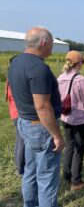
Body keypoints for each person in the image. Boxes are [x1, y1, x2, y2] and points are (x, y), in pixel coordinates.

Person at [8, 27, 65, 207]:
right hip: (40, 126)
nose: (52, 48)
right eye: (52, 44)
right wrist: (56, 135)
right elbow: (42, 106)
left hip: (25, 122)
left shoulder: (16, 62)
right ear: (43, 43)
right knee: (47, 177)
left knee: (30, 171)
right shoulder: (38, 67)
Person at [58, 51, 84, 190]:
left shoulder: (60, 78)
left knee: (69, 146)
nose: (83, 64)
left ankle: (67, 175)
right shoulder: (82, 80)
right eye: (82, 62)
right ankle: (76, 181)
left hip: (66, 117)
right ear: (78, 63)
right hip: (81, 119)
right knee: (79, 150)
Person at [5, 79, 25, 176]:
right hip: (19, 114)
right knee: (21, 142)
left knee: (19, 141)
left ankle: (19, 165)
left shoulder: (9, 81)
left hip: (14, 113)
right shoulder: (13, 82)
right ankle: (21, 169)